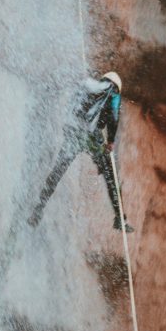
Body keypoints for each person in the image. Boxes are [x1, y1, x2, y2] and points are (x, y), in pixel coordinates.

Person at [28, 71, 134, 233]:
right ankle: (119, 218)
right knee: (110, 176)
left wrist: (69, 131)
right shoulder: (113, 93)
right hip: (91, 138)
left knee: (58, 171)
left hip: (74, 133)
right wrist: (111, 140)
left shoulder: (91, 86)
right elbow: (113, 116)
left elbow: (73, 106)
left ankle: (38, 208)